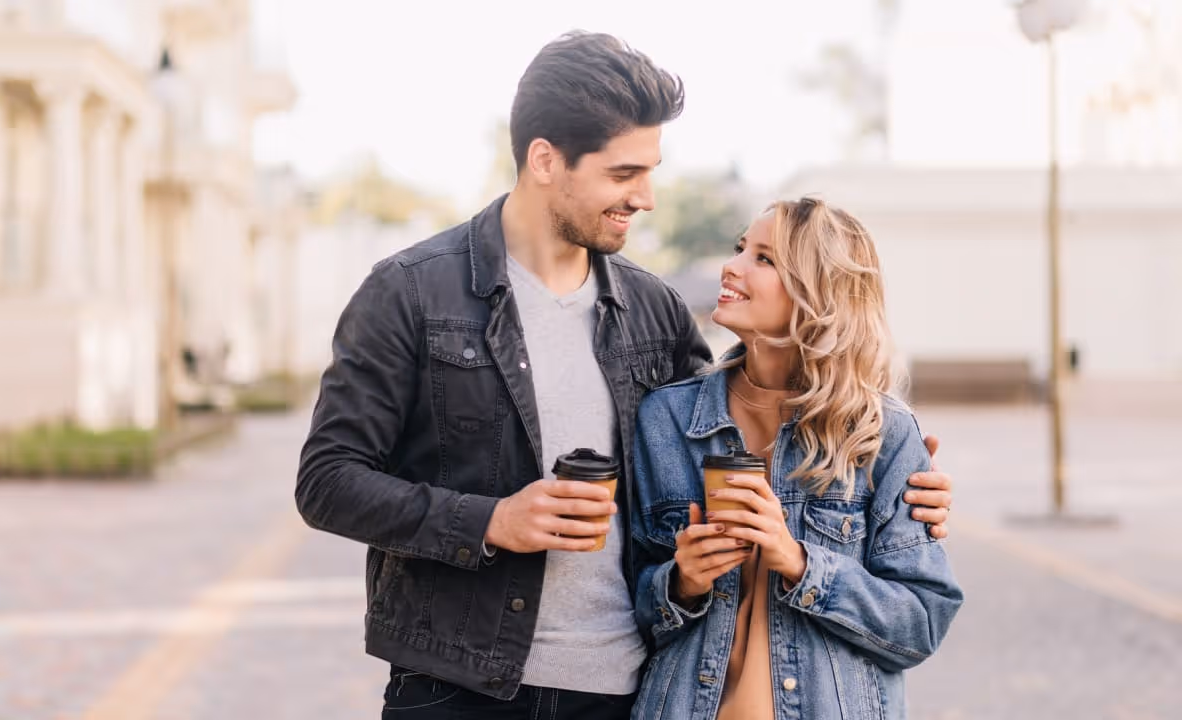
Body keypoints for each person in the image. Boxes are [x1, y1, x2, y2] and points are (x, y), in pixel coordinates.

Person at [296, 32, 954, 720]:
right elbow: (327, 481)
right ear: (546, 160)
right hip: (455, 686)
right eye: (623, 174)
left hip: (620, 690)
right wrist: (495, 521)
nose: (646, 198)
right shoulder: (411, 293)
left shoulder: (654, 311)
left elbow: (735, 442)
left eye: (651, 172)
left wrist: (903, 489)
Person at [629, 197, 964, 720]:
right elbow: (631, 606)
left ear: (819, 294)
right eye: (741, 248)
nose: (731, 265)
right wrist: (681, 583)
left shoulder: (882, 434)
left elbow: (920, 623)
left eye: (764, 258)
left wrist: (800, 562)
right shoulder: (666, 419)